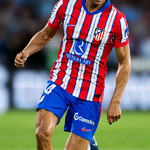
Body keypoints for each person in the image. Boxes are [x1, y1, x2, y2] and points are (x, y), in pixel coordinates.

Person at [15, 0, 131, 149]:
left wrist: (116, 101)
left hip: (89, 93)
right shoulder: (66, 5)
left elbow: (125, 62)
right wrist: (26, 52)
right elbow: (45, 34)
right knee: (42, 134)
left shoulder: (117, 19)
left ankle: (88, 145)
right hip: (60, 81)